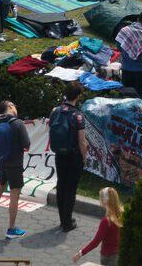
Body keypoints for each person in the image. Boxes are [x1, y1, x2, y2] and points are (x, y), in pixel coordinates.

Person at [0, 100, 30, 239]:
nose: (16, 107)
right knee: (14, 194)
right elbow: (27, 145)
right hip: (15, 164)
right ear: (10, 107)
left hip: (1, 161)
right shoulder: (18, 123)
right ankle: (11, 228)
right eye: (14, 105)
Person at [49, 81, 87, 232]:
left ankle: (62, 219)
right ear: (77, 96)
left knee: (61, 185)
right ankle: (67, 222)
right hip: (73, 156)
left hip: (59, 154)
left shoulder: (55, 110)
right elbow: (82, 142)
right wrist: (84, 157)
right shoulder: (78, 116)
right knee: (70, 189)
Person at [72, 187, 123, 266]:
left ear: (105, 201)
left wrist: (80, 253)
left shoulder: (106, 221)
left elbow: (95, 242)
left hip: (108, 257)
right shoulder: (122, 216)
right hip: (119, 255)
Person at [115, 11, 142, 99]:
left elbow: (119, 47)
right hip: (141, 73)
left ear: (138, 19)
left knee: (126, 96)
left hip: (126, 70)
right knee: (139, 98)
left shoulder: (124, 31)